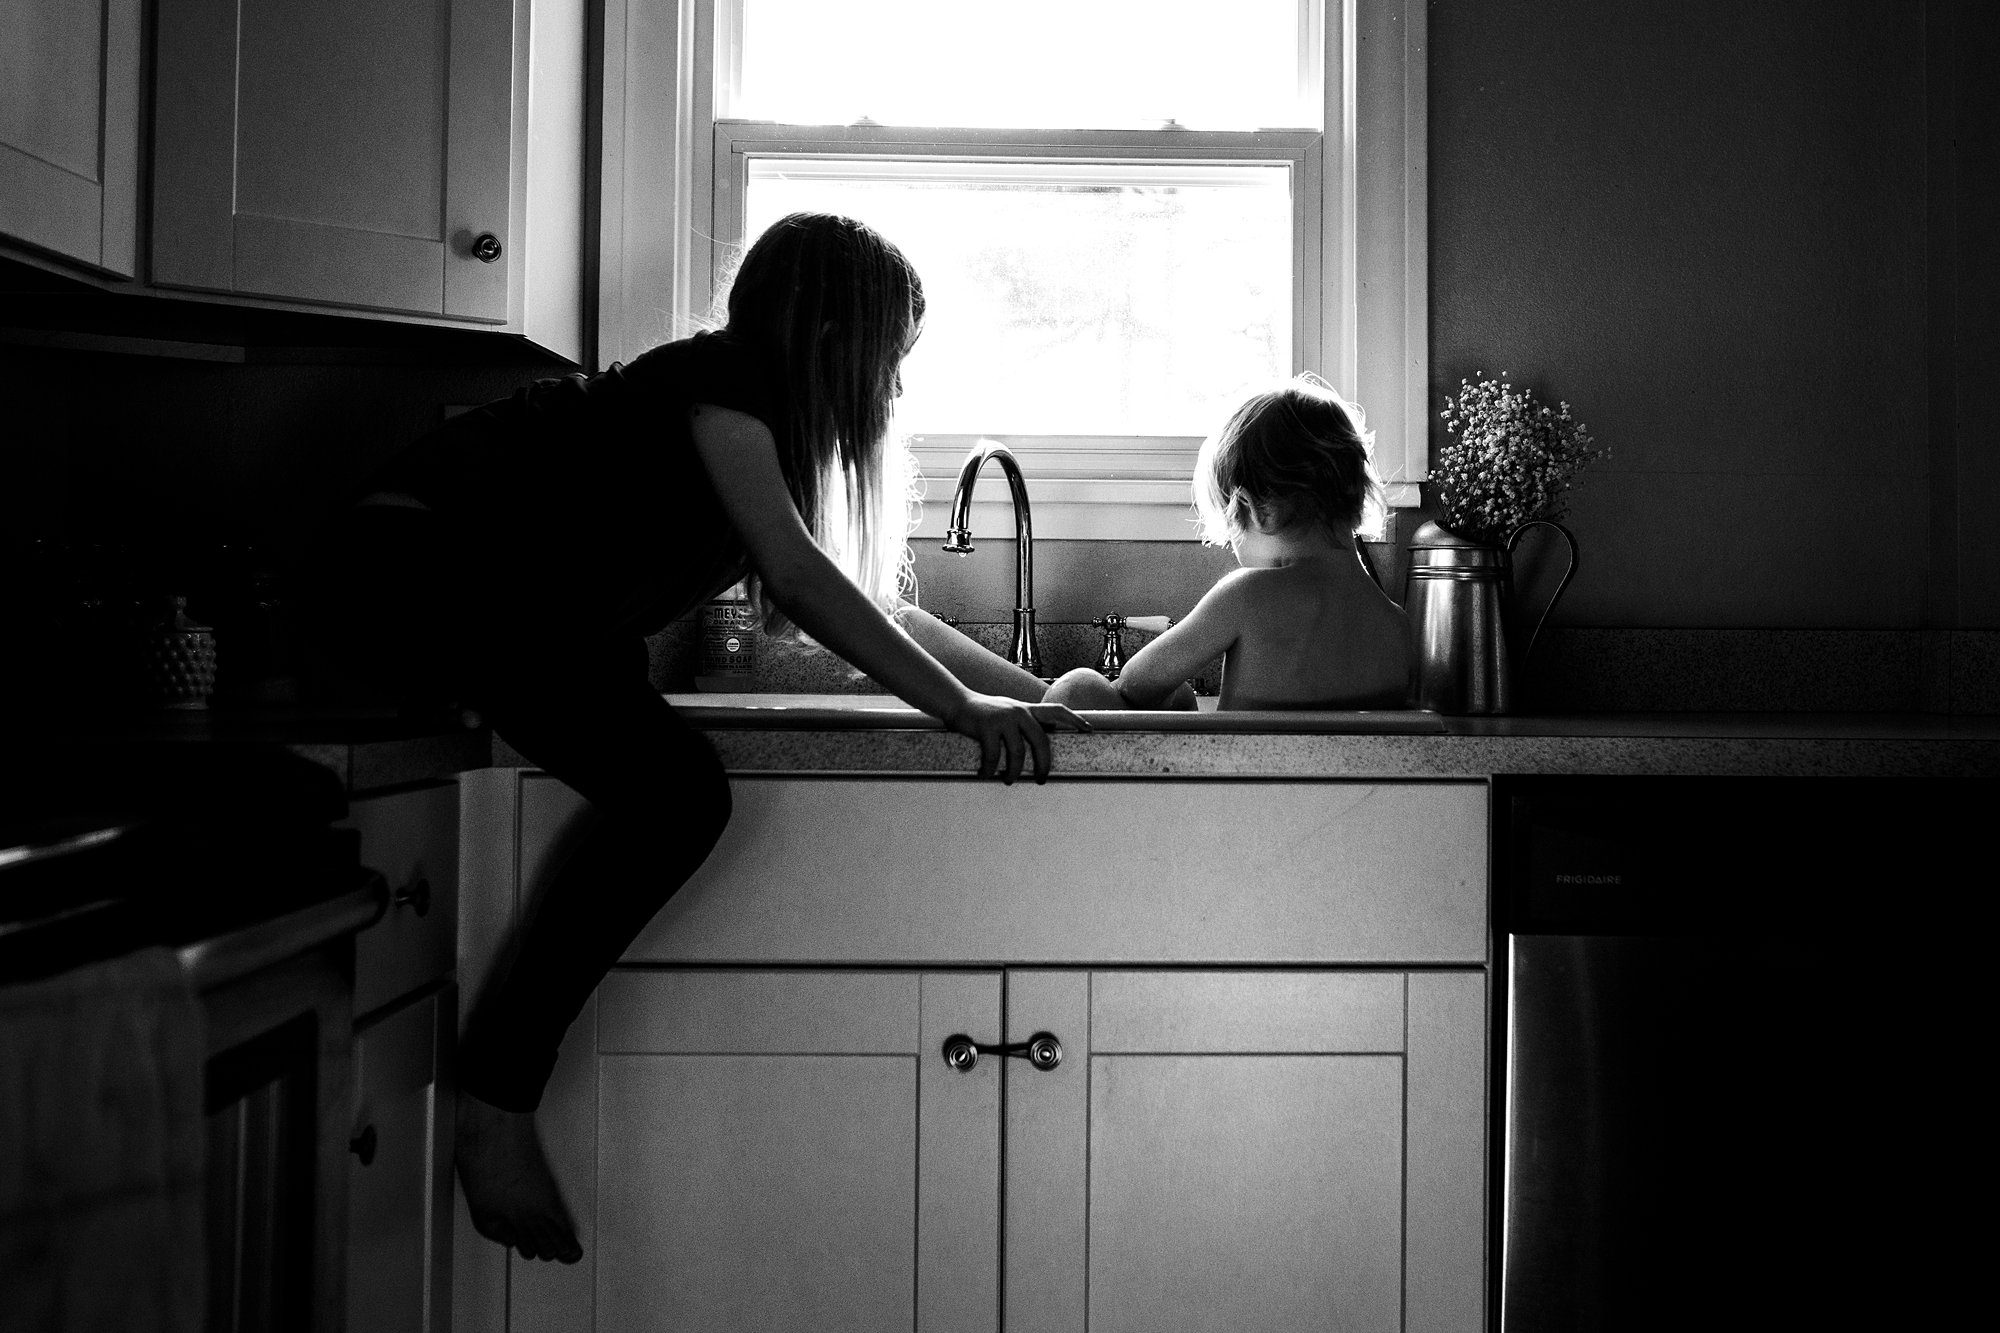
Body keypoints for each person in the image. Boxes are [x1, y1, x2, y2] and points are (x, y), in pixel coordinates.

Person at [293, 213, 1083, 1265]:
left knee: (661, 776)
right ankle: (495, 1100)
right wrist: (958, 712)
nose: (893, 392)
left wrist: (1030, 696)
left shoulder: (743, 435)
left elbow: (867, 612)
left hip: (462, 596)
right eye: (891, 358)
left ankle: (496, 1093)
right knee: (679, 795)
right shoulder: (723, 385)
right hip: (403, 567)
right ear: (827, 334)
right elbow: (804, 584)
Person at [916, 376, 1408, 712]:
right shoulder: (1397, 623)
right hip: (1336, 820)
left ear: (1255, 511)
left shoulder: (1248, 595)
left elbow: (1136, 682)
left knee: (1081, 688)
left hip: (1239, 807)